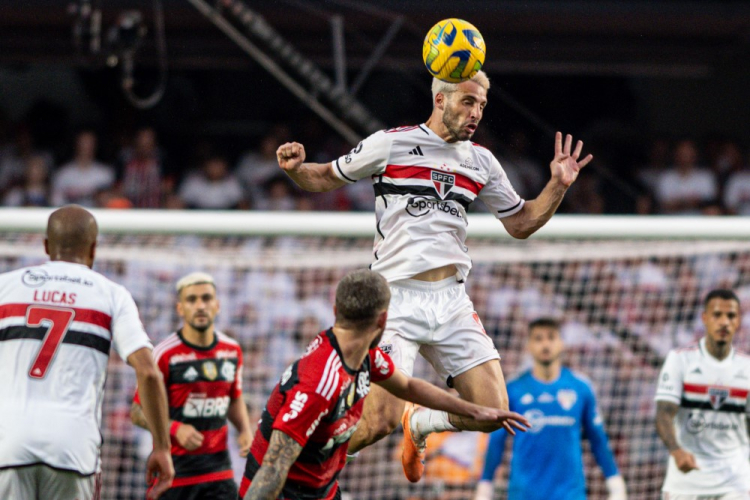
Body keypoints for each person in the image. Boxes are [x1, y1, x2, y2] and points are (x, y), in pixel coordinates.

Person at [274, 70, 592, 482]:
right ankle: (289, 462)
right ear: (440, 99)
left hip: (452, 301)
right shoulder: (392, 144)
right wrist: (297, 169)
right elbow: (324, 176)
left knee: (494, 411)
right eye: (467, 102)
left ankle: (421, 425)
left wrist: (557, 185)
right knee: (376, 425)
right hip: (396, 302)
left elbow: (521, 223)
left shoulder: (482, 161)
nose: (476, 112)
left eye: (481, 105)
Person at [240, 269, 529, 500]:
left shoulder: (362, 354)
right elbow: (273, 468)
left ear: (335, 309)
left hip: (322, 487)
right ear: (383, 319)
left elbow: (407, 387)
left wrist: (474, 410)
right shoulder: (320, 383)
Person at [0, 205, 173, 499]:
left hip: (8, 443)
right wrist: (162, 447)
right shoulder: (110, 295)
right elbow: (149, 372)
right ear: (93, 249)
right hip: (73, 447)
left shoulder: (6, 286)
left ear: (45, 246)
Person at [474, 318, 626, 500]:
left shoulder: (581, 388)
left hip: (570, 493)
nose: (545, 344)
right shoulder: (513, 389)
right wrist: (485, 484)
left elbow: (597, 438)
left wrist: (614, 481)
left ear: (561, 343)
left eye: (551, 338)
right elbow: (497, 440)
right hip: (524, 493)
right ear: (529, 345)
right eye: (538, 339)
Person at [131, 272, 253, 499]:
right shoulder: (164, 354)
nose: (200, 306)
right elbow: (137, 412)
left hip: (219, 473)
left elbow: (234, 397)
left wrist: (245, 429)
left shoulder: (232, 350)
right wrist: (176, 429)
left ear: (217, 305)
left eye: (206, 298)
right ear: (180, 308)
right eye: (192, 300)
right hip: (176, 474)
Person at [655, 289, 750, 500]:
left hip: (735, 482)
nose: (724, 322)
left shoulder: (747, 368)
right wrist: (676, 450)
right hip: (687, 482)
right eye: (717, 315)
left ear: (738, 322)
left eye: (731, 316)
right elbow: (663, 413)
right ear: (704, 319)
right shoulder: (679, 360)